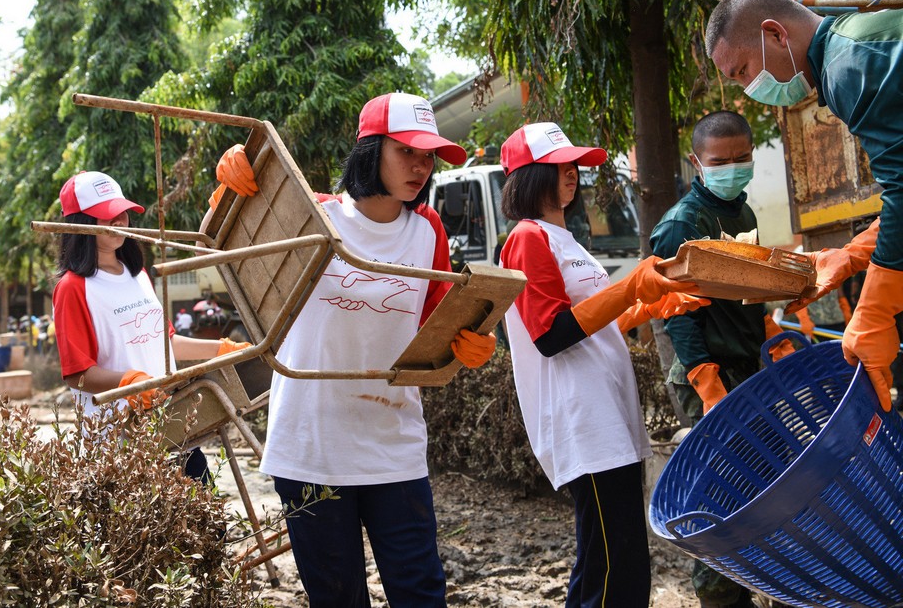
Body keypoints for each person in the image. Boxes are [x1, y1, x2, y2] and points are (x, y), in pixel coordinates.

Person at [211, 92, 497, 607]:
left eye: (428, 155)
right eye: (406, 150)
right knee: (337, 597)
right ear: (370, 150)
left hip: (394, 444)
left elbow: (436, 319)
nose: (420, 166)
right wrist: (231, 185)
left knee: (421, 593)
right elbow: (232, 240)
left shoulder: (426, 228)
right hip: (311, 449)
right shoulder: (314, 216)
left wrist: (468, 338)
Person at [496, 122, 703, 608]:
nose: (572, 174)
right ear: (528, 175)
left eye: (574, 165)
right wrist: (629, 287)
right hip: (583, 418)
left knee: (603, 558)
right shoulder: (528, 237)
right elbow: (551, 335)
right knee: (620, 563)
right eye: (559, 166)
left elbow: (595, 321)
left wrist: (648, 306)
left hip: (608, 415)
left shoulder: (566, 239)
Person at [705, 0, 903, 411]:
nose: (747, 90)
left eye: (743, 71)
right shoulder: (855, 42)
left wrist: (876, 308)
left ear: (776, 34)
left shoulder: (849, 65)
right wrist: (852, 255)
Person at [649, 111, 795, 608]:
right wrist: (708, 384)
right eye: (720, 161)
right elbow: (679, 317)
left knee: (765, 479)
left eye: (741, 159)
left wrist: (772, 332)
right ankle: (718, 597)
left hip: (747, 367)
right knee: (721, 491)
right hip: (705, 373)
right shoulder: (680, 226)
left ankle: (764, 584)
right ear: (697, 162)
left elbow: (748, 291)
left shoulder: (744, 214)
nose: (732, 169)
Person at [52, 170, 249, 483]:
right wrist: (130, 383)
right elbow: (77, 375)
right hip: (118, 442)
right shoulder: (73, 288)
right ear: (80, 224)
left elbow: (164, 341)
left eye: (122, 214)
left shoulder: (138, 275)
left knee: (205, 525)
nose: (119, 223)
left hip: (170, 425)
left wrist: (222, 349)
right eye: (107, 216)